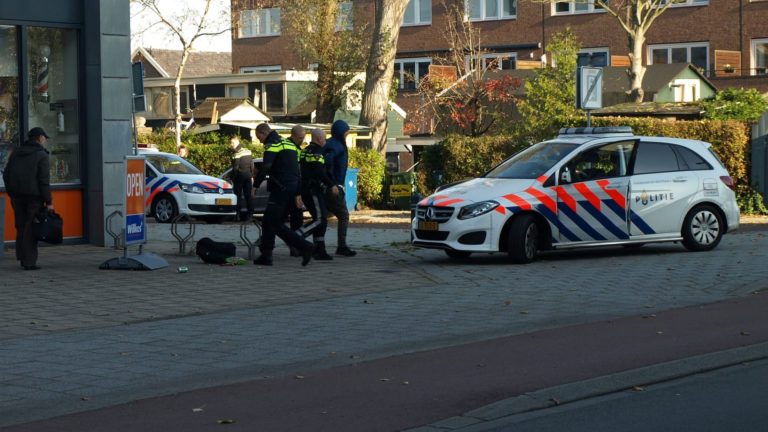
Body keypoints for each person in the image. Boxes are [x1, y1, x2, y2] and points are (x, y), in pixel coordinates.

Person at [252, 123, 314, 266]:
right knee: (268, 221)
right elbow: (298, 171)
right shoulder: (289, 144)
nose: (260, 141)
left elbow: (266, 166)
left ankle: (304, 246)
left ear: (263, 133)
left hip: (280, 188)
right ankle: (266, 255)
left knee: (273, 222)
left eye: (259, 137)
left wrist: (255, 186)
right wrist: (298, 192)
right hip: (292, 188)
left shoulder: (272, 144)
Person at [2, 127, 52, 270]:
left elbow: (6, 174)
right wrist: (48, 202)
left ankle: (22, 256)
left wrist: (12, 192)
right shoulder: (41, 155)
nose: (45, 141)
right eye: (44, 138)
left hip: (17, 196)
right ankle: (29, 262)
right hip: (33, 198)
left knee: (21, 226)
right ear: (39, 138)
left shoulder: (16, 152)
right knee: (30, 228)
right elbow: (43, 181)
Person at [295, 129, 337, 260]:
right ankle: (296, 237)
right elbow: (320, 172)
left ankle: (319, 250)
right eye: (324, 139)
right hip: (313, 190)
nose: (325, 141)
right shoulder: (317, 152)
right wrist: (332, 185)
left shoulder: (305, 151)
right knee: (321, 219)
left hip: (307, 189)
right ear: (319, 139)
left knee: (321, 220)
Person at [323, 120, 356, 257]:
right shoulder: (337, 146)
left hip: (328, 186)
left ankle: (309, 243)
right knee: (343, 215)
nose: (347, 135)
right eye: (346, 133)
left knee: (320, 218)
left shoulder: (330, 143)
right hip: (334, 187)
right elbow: (328, 163)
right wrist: (332, 184)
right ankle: (341, 246)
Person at [230, 136, 254, 221]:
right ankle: (250, 215)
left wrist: (232, 177)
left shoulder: (237, 153)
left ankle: (237, 215)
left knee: (238, 196)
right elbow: (252, 164)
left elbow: (235, 168)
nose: (231, 145)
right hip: (248, 176)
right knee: (248, 196)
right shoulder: (248, 151)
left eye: (232, 143)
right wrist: (251, 175)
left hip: (239, 177)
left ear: (237, 142)